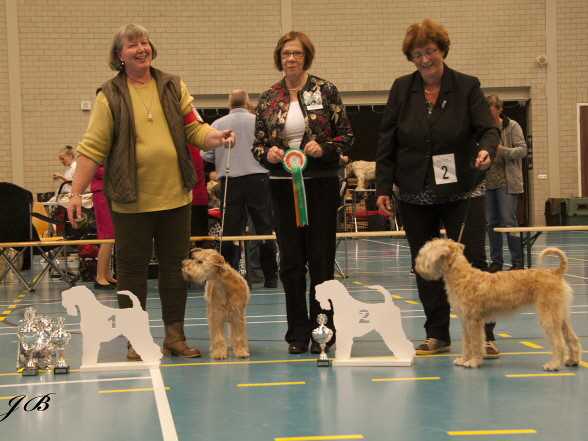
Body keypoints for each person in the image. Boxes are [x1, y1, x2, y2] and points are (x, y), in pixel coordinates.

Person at [67, 24, 234, 360]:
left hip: (175, 197)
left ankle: (175, 336)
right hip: (130, 201)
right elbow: (92, 148)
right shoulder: (109, 95)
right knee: (131, 271)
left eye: (144, 43)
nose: (141, 49)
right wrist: (75, 193)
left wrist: (213, 138)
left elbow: (193, 126)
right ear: (119, 55)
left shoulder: (172, 85)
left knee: (175, 268)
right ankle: (136, 340)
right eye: (132, 45)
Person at [375, 19, 500, 357]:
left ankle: (485, 335)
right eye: (417, 54)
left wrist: (487, 149)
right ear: (410, 57)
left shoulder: (466, 85)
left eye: (430, 51)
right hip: (415, 190)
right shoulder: (402, 88)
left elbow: (487, 128)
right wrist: (383, 186)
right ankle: (437, 334)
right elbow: (387, 139)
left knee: (473, 260)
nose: (425, 59)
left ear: (442, 50)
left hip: (462, 186)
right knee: (426, 265)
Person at [252, 31, 354, 354]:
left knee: (322, 261)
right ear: (279, 58)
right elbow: (257, 144)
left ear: (306, 56)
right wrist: (265, 153)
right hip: (283, 189)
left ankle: (322, 329)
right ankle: (297, 332)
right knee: (291, 263)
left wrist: (322, 148)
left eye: (296, 53)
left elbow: (346, 137)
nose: (291, 59)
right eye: (285, 54)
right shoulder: (269, 97)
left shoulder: (326, 91)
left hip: (321, 186)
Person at [202, 89, 278, 288]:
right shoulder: (258, 122)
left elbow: (206, 156)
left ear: (229, 106)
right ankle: (271, 278)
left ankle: (228, 277)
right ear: (247, 103)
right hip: (258, 180)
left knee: (230, 231)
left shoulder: (217, 125)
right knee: (264, 229)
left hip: (231, 181)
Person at [485, 93, 527, 272]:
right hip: (488, 183)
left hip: (507, 182)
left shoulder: (512, 126)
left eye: (491, 109)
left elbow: (523, 150)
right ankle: (496, 262)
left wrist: (504, 151)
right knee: (491, 223)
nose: (488, 112)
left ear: (499, 109)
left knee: (509, 222)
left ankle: (517, 262)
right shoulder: (484, 129)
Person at [90, 165, 116, 289]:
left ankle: (106, 274)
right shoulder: (99, 152)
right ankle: (100, 276)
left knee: (110, 236)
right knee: (107, 235)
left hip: (108, 192)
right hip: (101, 193)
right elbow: (96, 171)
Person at [188, 145, 211, 249]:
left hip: (186, 201)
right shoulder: (198, 151)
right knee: (201, 241)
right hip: (200, 199)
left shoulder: (186, 152)